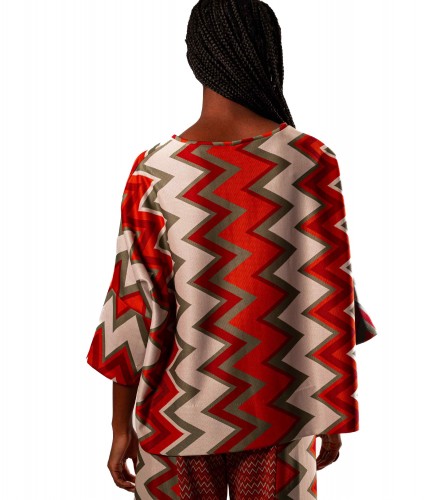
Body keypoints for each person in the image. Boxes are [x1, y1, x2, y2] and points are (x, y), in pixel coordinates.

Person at [86, 0, 378, 498]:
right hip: (284, 413)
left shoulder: (155, 172)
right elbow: (328, 294)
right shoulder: (311, 161)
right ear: (271, 53)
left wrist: (119, 427)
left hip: (173, 417)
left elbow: (132, 306)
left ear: (194, 57)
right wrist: (326, 406)